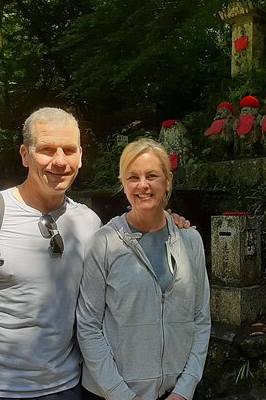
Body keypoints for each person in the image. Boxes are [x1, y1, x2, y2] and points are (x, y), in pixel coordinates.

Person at [0, 108, 191, 400]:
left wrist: (167, 222)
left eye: (69, 150)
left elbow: (122, 282)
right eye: (47, 150)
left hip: (68, 385)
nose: (59, 161)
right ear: (25, 155)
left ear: (80, 156)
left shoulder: (88, 223)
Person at [77, 139, 210, 400]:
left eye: (152, 176)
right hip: (111, 393)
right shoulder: (103, 243)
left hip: (175, 393)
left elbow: (200, 319)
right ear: (123, 184)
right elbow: (88, 326)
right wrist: (121, 394)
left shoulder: (190, 241)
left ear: (167, 182)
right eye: (133, 177)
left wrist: (185, 389)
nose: (143, 185)